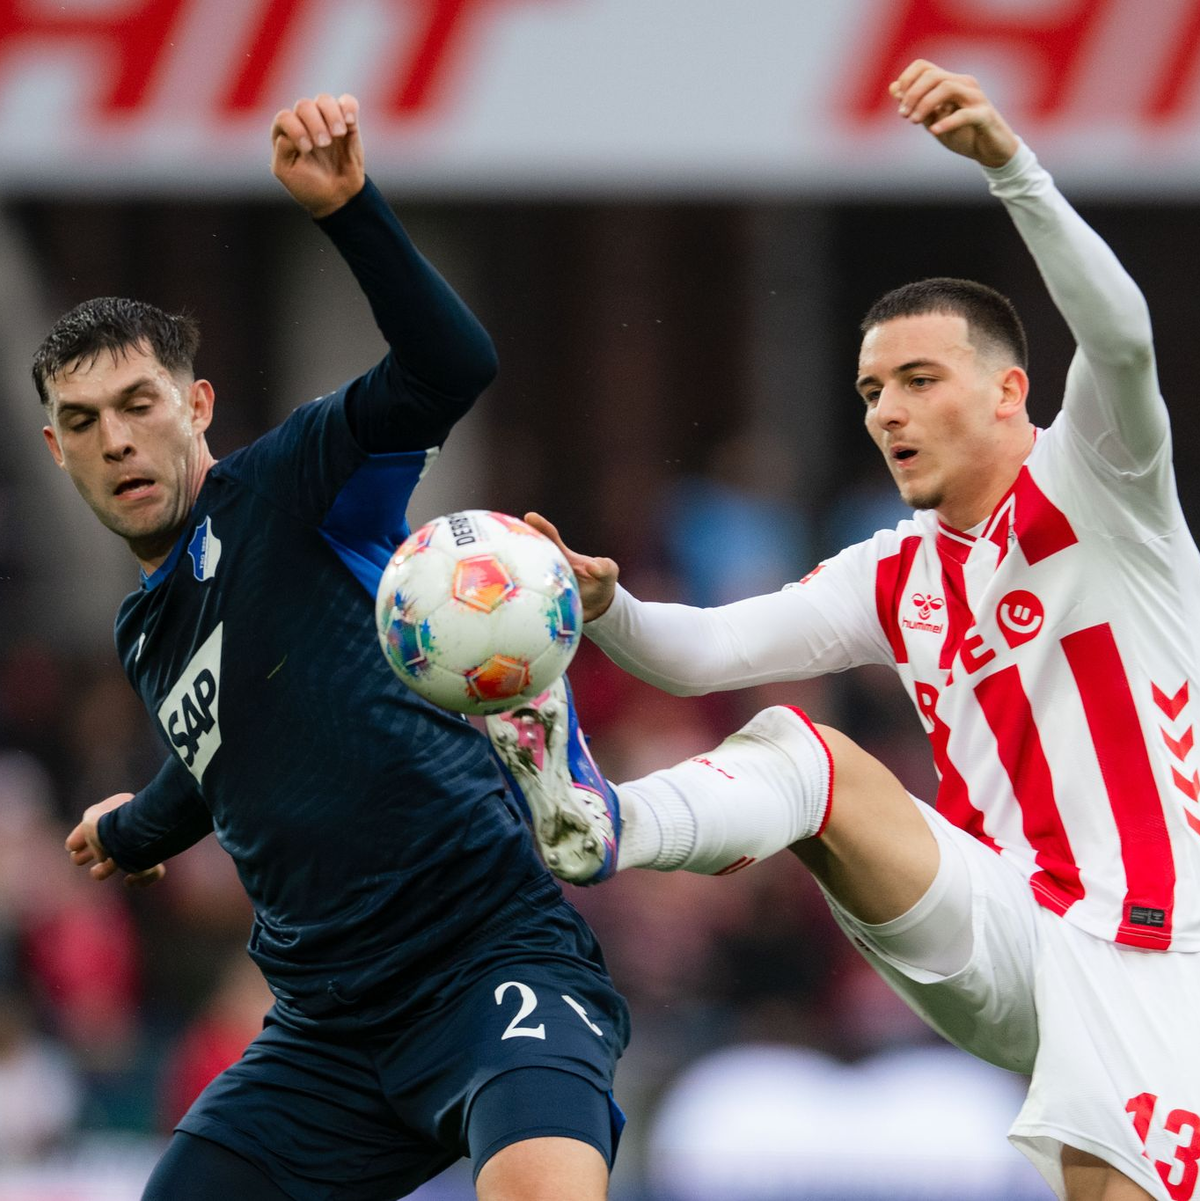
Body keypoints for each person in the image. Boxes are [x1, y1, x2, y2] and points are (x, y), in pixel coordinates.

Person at [490, 62, 1200, 1201]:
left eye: (921, 380)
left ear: (1013, 392)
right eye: (873, 391)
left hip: (1157, 954)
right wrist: (606, 602)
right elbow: (701, 653)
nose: (889, 413)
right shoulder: (895, 572)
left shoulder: (1105, 488)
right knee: (801, 754)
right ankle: (602, 820)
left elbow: (1119, 336)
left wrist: (1011, 170)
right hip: (1004, 923)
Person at [45, 93, 628, 1201]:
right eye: (82, 421)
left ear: (197, 403)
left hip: (487, 956)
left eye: (136, 403)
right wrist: (135, 826)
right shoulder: (143, 628)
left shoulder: (293, 482)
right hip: (324, 1034)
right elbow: (229, 754)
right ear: (57, 449)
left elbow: (450, 364)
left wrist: (352, 209)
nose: (115, 437)